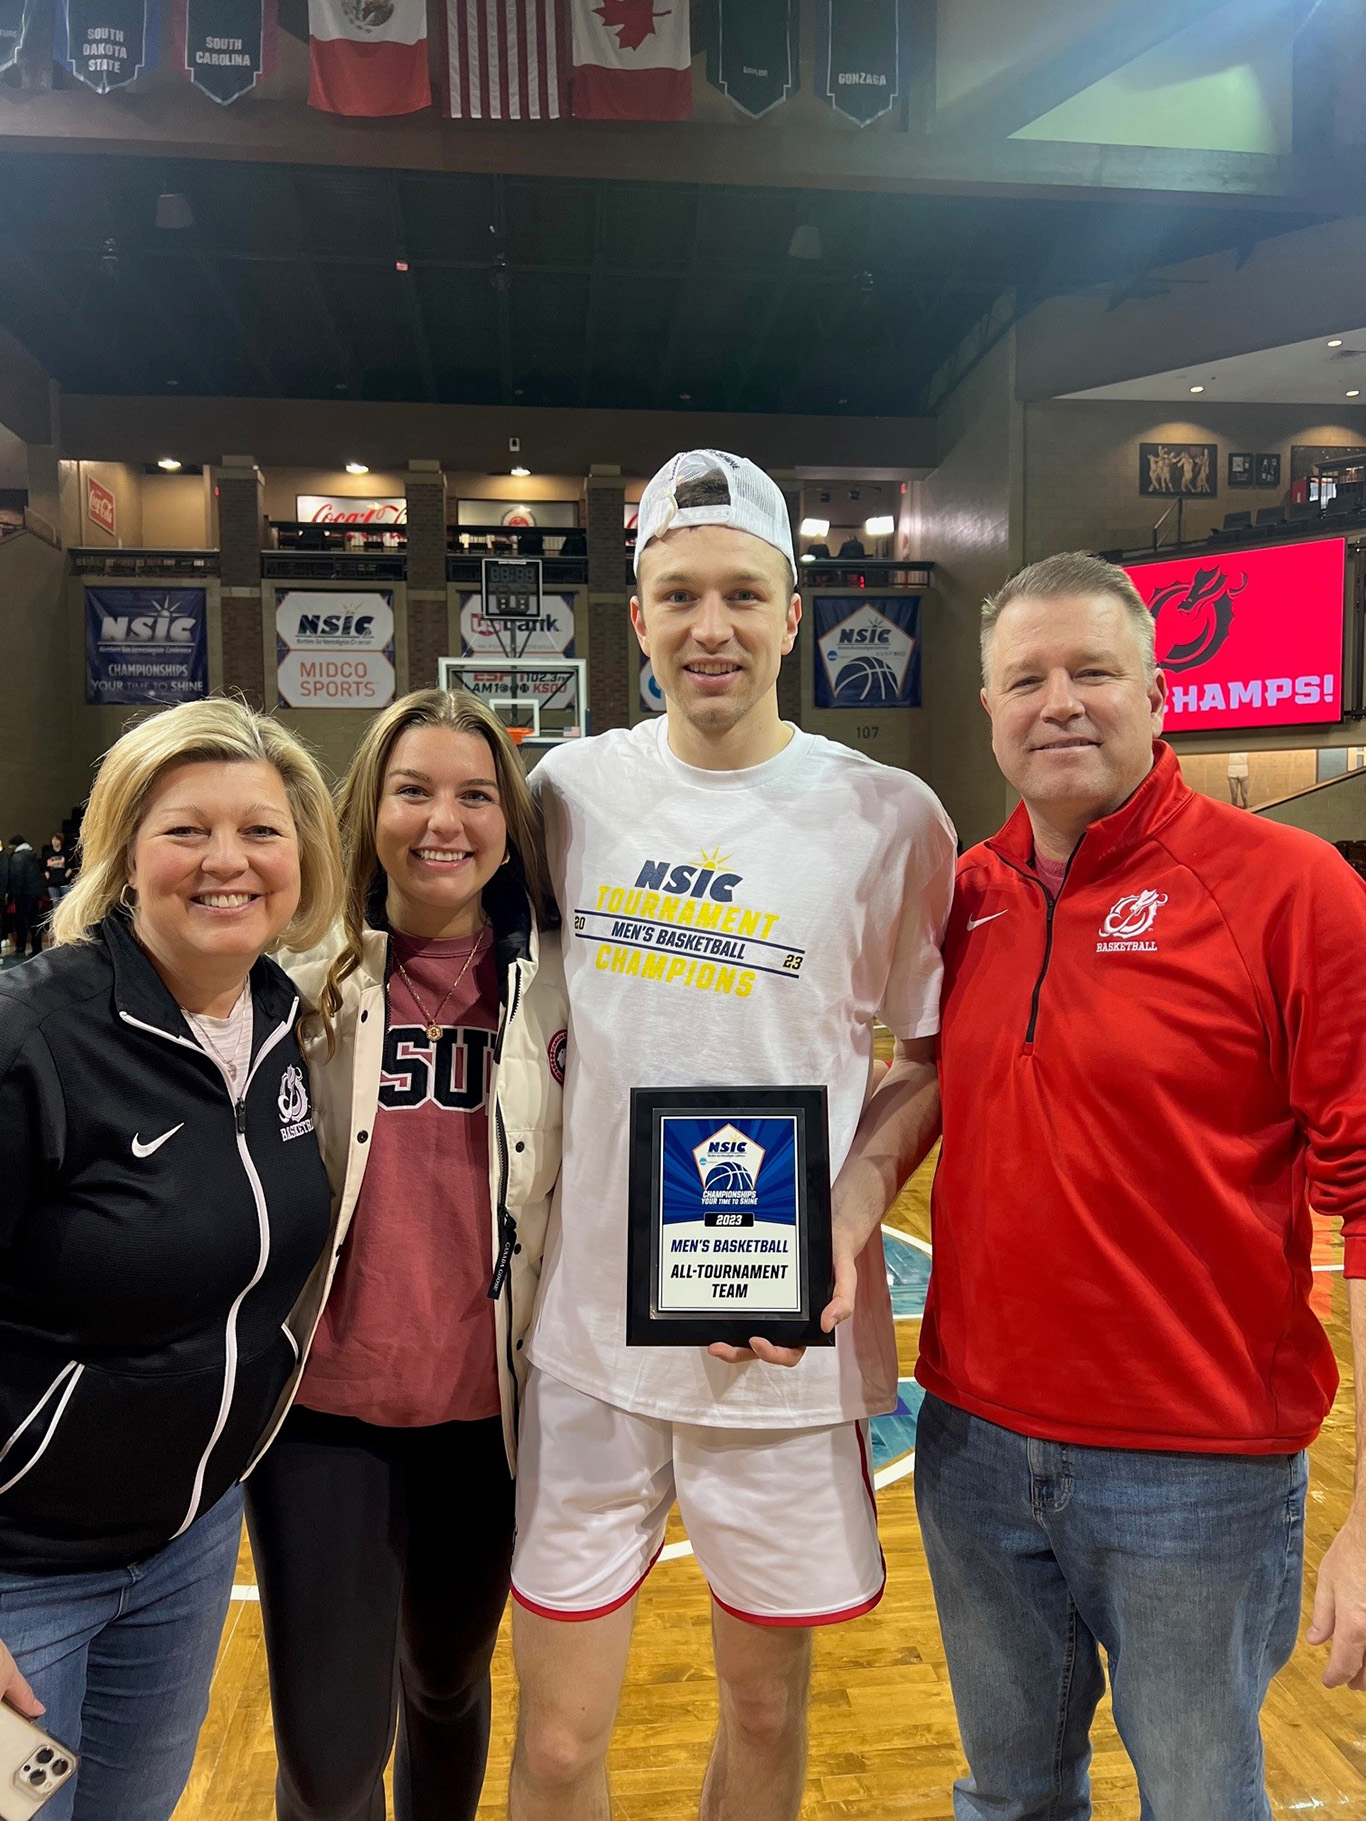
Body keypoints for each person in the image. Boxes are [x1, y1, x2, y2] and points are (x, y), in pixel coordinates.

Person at [508, 449, 956, 1821]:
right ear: (637, 619)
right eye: (681, 596)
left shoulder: (890, 817)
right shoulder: (565, 793)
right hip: (590, 1342)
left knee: (763, 1707)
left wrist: (849, 1207)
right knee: (557, 1745)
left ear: (793, 615)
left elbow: (929, 1056)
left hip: (776, 1348)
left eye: (744, 596)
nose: (712, 627)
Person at [914, 551, 1366, 1820]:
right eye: (1025, 680)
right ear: (989, 712)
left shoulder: (1292, 890)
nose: (1057, 702)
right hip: (972, 1447)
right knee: (1007, 1800)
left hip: (1197, 1472)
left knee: (1198, 1802)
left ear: (1159, 696)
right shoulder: (964, 898)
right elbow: (911, 1090)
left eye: (1092, 672)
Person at [0, 696, 344, 1821]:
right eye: (186, 829)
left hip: (187, 1549)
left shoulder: (285, 1025)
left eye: (260, 830)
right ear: (124, 851)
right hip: (23, 1573)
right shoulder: (32, 1038)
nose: (226, 861)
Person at [247, 689, 567, 1821]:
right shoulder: (289, 973)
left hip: (488, 1417)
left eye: (476, 795)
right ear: (366, 809)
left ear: (510, 823)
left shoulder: (564, 982)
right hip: (323, 1413)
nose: (444, 820)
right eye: (413, 790)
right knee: (333, 1759)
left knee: (444, 1683)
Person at [8, 835, 43, 959]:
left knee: (21, 922)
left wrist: (13, 895)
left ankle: (20, 949)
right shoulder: (32, 855)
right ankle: (37, 948)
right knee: (35, 922)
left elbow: (17, 877)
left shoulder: (17, 857)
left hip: (23, 895)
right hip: (35, 893)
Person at [43, 832, 71, 909]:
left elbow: (70, 867)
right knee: (55, 903)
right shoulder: (48, 853)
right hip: (52, 883)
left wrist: (66, 876)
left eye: (57, 840)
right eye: (53, 839)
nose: (54, 841)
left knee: (66, 903)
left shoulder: (66, 852)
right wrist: (48, 877)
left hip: (64, 883)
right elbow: (45, 868)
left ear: (61, 841)